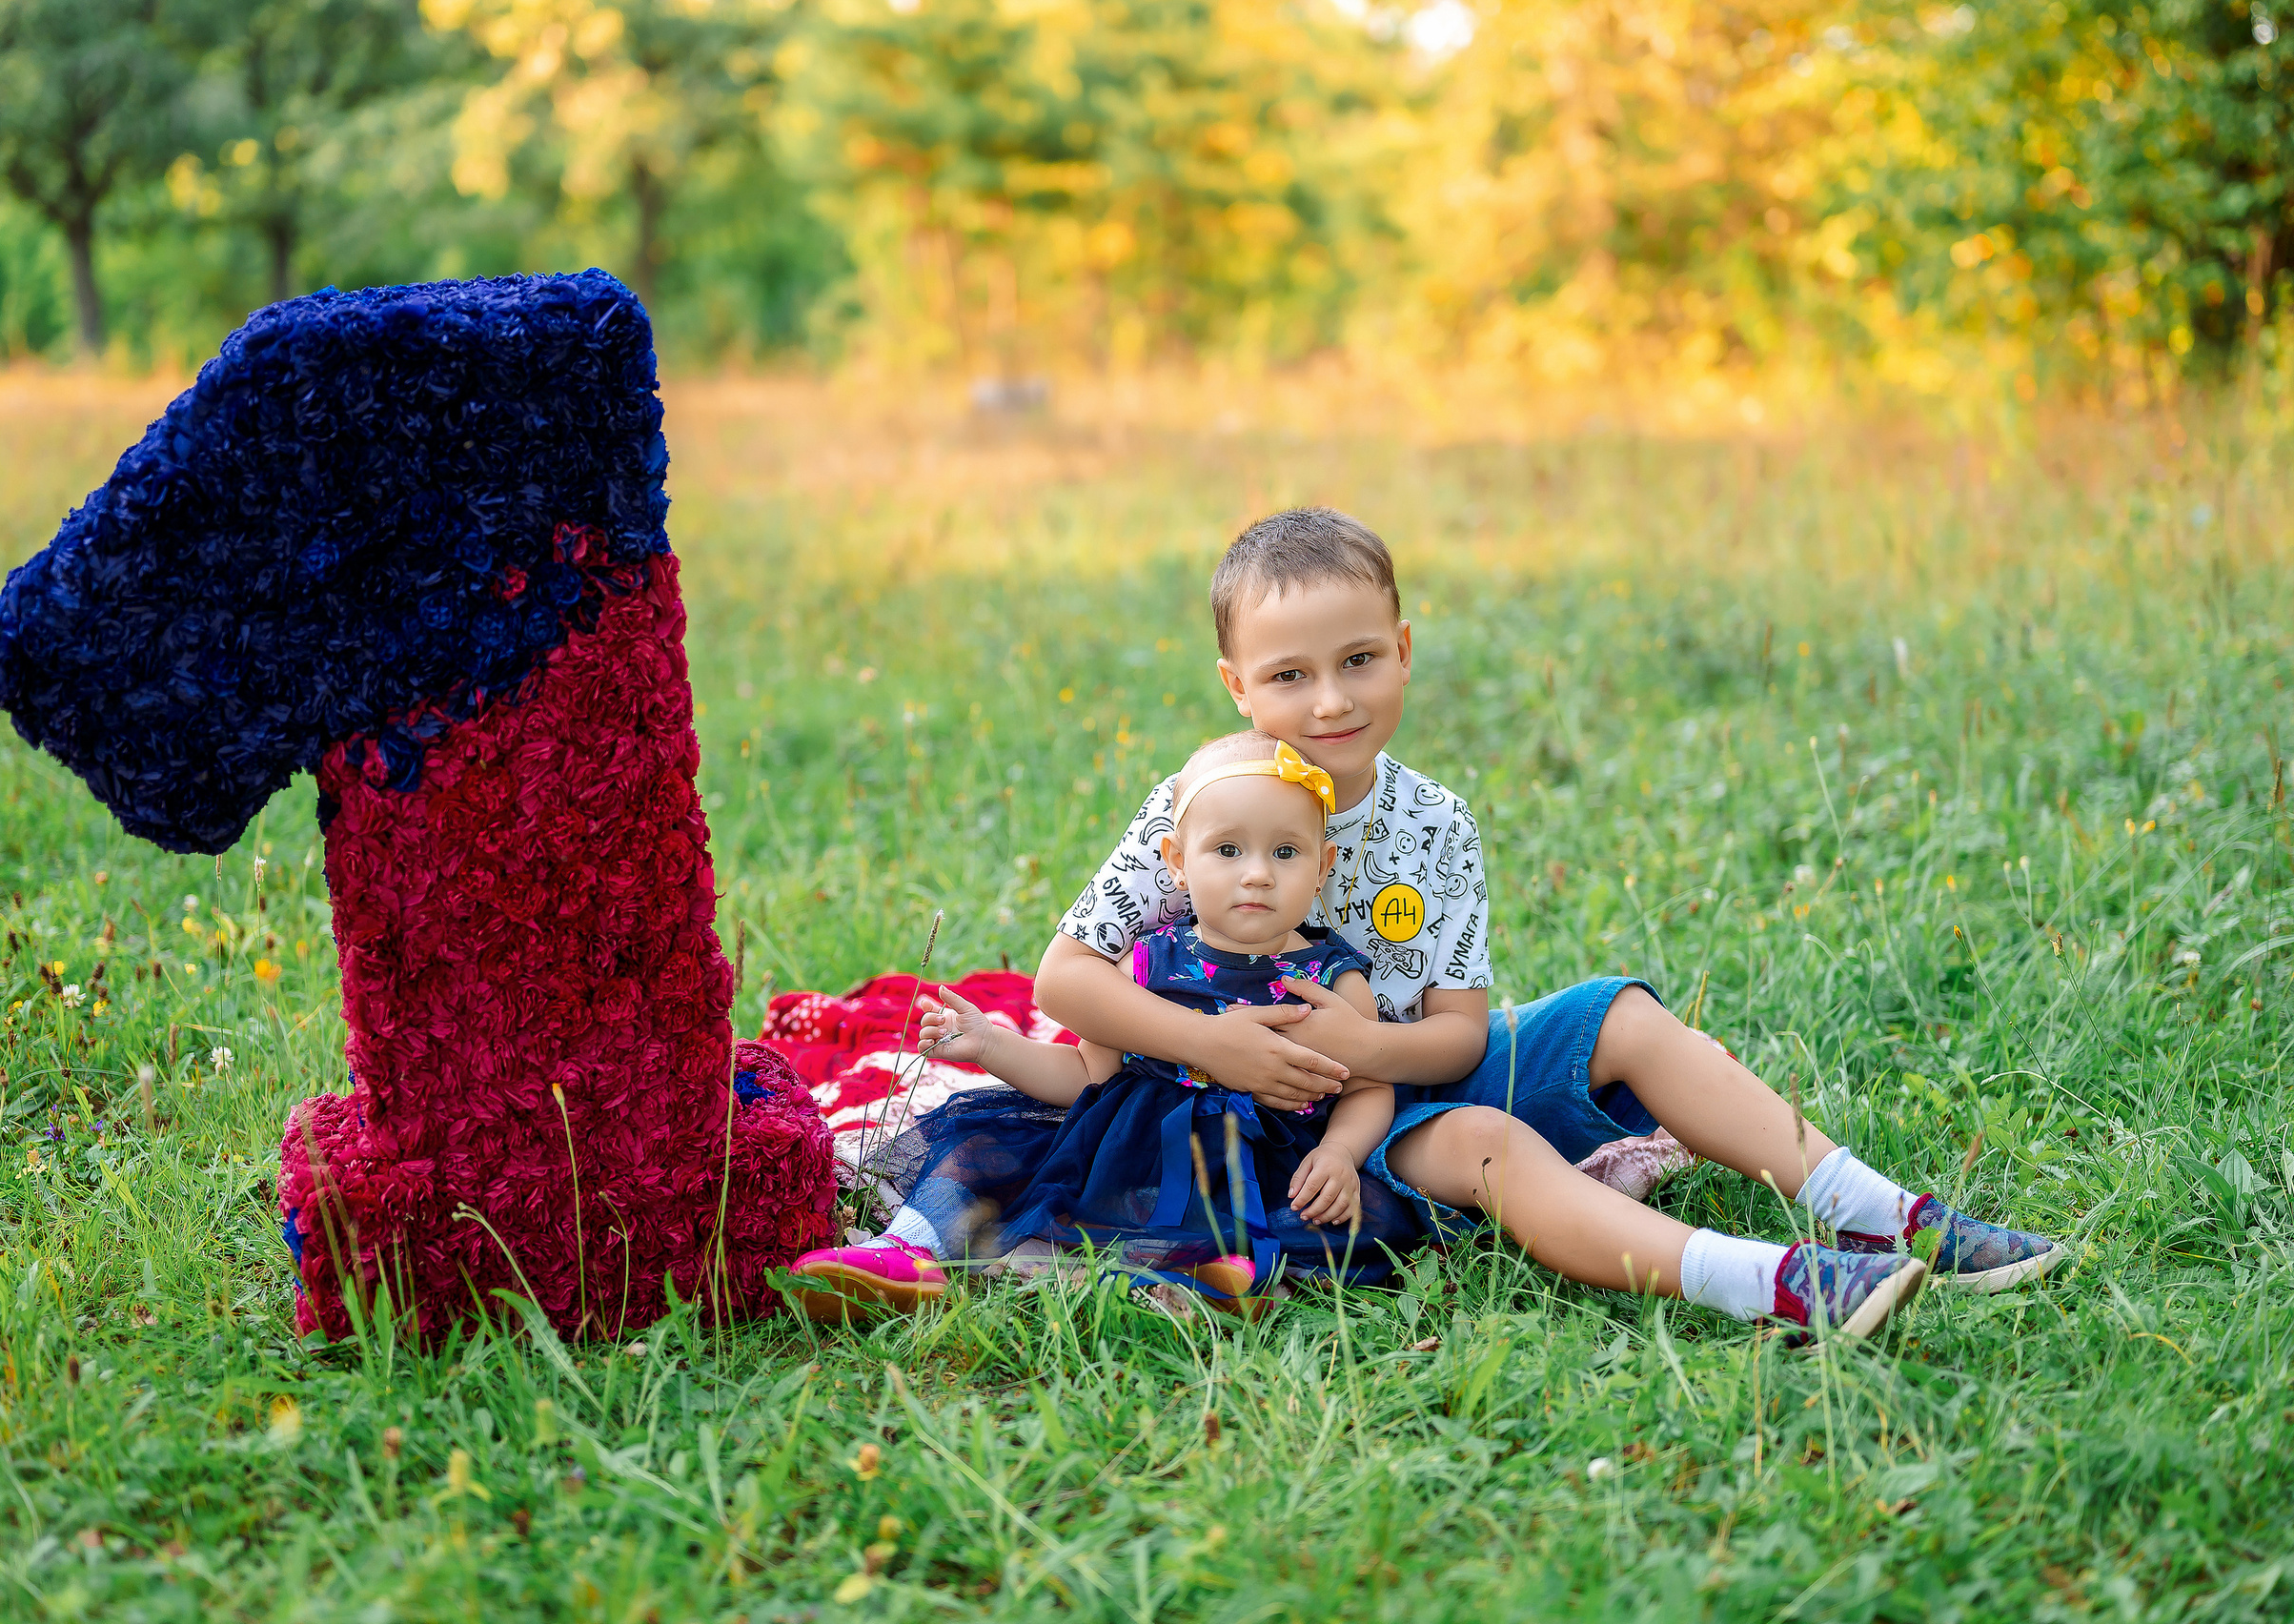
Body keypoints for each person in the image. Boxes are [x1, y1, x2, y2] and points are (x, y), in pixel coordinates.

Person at [1023, 507, 2064, 1330]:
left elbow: (1461, 1033)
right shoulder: (1203, 804)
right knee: (1485, 1138)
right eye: (1289, 676)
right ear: (1236, 687)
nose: (1331, 701)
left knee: (1627, 1017)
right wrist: (1218, 1047)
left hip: (1402, 1076)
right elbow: (1064, 978)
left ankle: (1887, 1217)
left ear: (1403, 649)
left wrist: (1363, 1043)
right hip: (1282, 1134)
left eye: (1358, 661)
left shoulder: (1434, 823)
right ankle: (1776, 1282)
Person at [788, 732, 1429, 1323]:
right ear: (1177, 862)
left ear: (1323, 865)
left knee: (1341, 1215)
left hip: (1261, 1160)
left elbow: (1368, 1085)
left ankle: (1222, 1275)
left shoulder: (1333, 979)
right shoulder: (1145, 964)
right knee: (977, 1155)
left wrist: (1340, 1152)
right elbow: (1088, 1075)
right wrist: (992, 1046)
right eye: (1227, 850)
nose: (1257, 872)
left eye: (1286, 852)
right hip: (1127, 1153)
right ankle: (906, 1251)